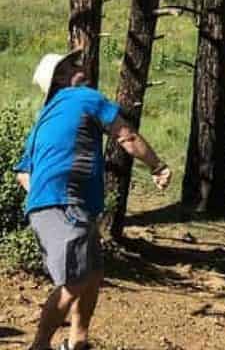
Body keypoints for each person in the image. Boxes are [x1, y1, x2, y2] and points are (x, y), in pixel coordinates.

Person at [13, 49, 173, 350]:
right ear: (60, 78)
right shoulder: (84, 97)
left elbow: (23, 174)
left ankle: (78, 341)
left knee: (93, 273)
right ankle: (39, 346)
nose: (81, 65)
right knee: (75, 281)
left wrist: (46, 193)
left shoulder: (43, 119)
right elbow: (125, 135)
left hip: (60, 205)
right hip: (65, 205)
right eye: (73, 64)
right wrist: (158, 166)